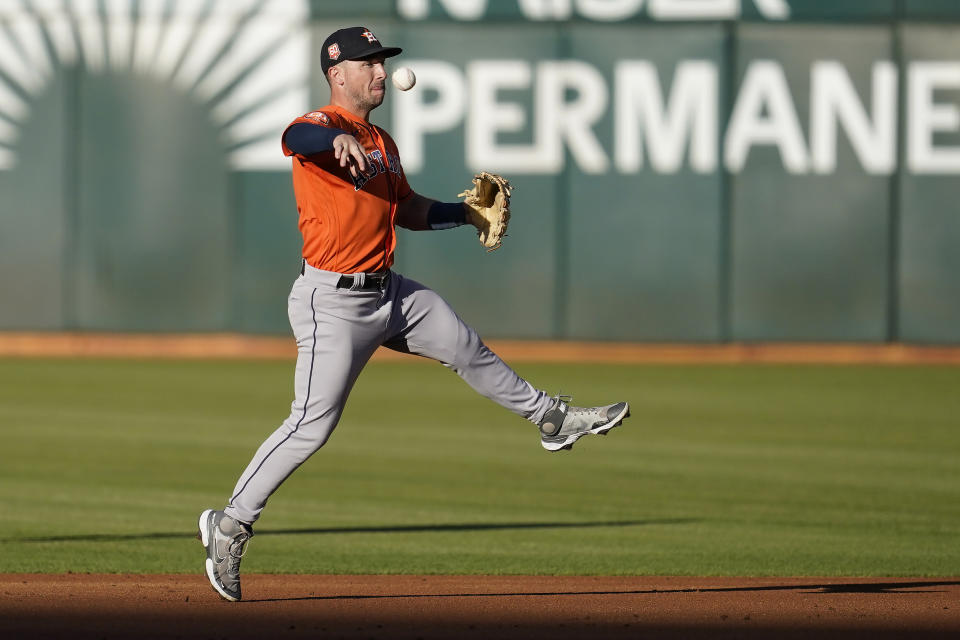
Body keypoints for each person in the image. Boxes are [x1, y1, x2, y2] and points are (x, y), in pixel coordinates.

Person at [197, 26, 630, 602]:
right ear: (338, 74)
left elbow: (406, 208)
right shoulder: (321, 127)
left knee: (463, 343)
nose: (381, 72)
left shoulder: (381, 142)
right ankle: (228, 526)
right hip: (333, 302)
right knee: (311, 426)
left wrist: (464, 213)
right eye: (368, 62)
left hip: (388, 294)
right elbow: (296, 137)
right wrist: (333, 145)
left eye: (382, 62)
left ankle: (550, 420)